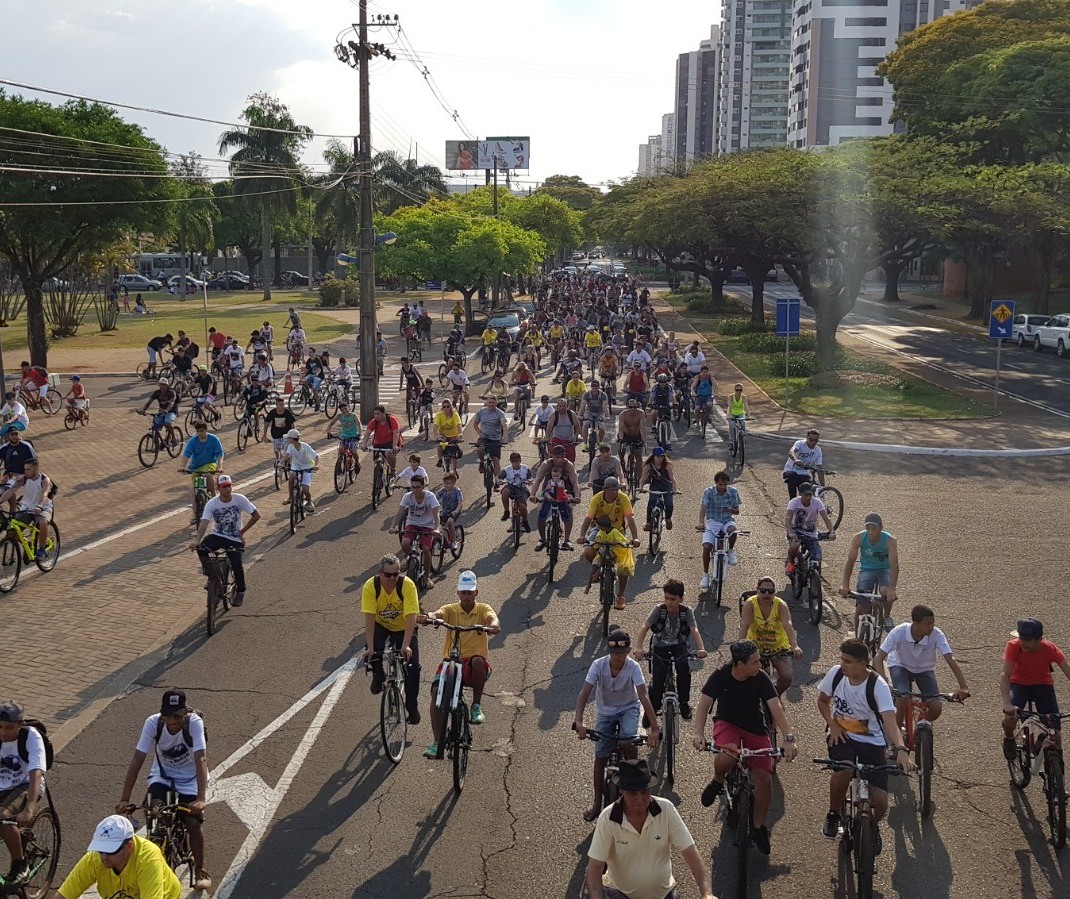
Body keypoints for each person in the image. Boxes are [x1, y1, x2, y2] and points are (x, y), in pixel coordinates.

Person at [691, 639, 798, 857]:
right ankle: (718, 780)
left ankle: (759, 827)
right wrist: (698, 733)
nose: (760, 665)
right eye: (755, 662)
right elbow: (704, 704)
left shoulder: (760, 677)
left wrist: (788, 738)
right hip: (727, 724)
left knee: (765, 779)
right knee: (728, 754)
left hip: (755, 729)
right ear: (739, 664)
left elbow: (775, 706)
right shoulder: (720, 675)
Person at [817, 638, 912, 847]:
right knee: (843, 770)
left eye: (848, 661)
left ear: (863, 664)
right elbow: (823, 701)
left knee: (880, 802)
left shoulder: (877, 686)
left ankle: (872, 826)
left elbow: (889, 721)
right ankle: (833, 813)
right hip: (842, 736)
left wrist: (901, 749)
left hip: (872, 743)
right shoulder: (836, 674)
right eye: (841, 659)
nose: (843, 665)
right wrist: (832, 724)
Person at [116, 690, 212, 891]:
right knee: (155, 811)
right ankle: (161, 848)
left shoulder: (194, 723)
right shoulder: (153, 723)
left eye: (177, 715)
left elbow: (201, 759)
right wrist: (124, 799)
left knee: (193, 822)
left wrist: (201, 798)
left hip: (190, 780)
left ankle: (200, 868)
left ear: (185, 712)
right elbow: (137, 759)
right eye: (167, 715)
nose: (172, 721)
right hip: (163, 777)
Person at [585, 758, 715, 899]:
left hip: (663, 894)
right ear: (622, 791)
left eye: (644, 792)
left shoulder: (666, 809)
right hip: (620, 893)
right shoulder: (607, 818)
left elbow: (690, 852)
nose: (640, 798)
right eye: (633, 793)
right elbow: (595, 867)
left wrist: (706, 892)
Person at [574, 629, 661, 823]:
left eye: (621, 653)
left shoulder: (633, 668)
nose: (618, 658)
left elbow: (643, 697)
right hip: (605, 711)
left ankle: (637, 784)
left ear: (628, 651)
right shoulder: (598, 665)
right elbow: (584, 693)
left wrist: (654, 729)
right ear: (609, 652)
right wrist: (579, 721)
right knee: (600, 755)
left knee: (629, 740)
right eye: (614, 653)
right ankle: (597, 803)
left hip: (629, 708)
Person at [419, 570, 501, 757]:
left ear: (476, 593)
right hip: (451, 662)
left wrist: (493, 625)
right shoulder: (451, 609)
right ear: (458, 593)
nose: (466, 596)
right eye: (463, 592)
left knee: (479, 660)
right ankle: (437, 741)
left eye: (469, 592)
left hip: (473, 667)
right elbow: (438, 613)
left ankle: (476, 706)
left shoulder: (482, 609)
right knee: (435, 694)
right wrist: (429, 617)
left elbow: (493, 619)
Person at [873, 605, 970, 732]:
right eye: (927, 624)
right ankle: (895, 738)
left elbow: (951, 660)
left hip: (925, 670)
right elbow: (878, 658)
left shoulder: (936, 634)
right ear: (915, 623)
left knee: (936, 708)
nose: (931, 627)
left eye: (933, 623)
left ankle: (919, 727)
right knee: (902, 697)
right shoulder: (899, 632)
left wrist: (963, 686)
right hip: (900, 665)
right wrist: (885, 683)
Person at [55, 813, 181, 899]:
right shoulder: (94, 859)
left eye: (110, 851)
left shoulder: (148, 859)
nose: (104, 857)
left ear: (129, 846)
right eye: (101, 850)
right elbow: (63, 895)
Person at [632, 579, 707, 720]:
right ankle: (653, 708)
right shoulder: (659, 610)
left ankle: (684, 703)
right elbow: (645, 627)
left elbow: (694, 629)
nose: (669, 602)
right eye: (666, 598)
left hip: (679, 645)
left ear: (681, 598)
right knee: (658, 675)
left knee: (684, 668)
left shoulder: (687, 611)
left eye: (673, 599)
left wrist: (701, 648)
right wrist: (638, 647)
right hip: (660, 645)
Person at [361, 553, 422, 725]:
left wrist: (406, 646)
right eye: (388, 575)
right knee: (373, 651)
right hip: (382, 624)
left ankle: (412, 706)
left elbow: (411, 617)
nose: (392, 578)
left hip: (404, 627)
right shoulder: (371, 587)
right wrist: (370, 648)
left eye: (396, 574)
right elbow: (369, 618)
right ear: (380, 573)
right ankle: (379, 676)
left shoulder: (407, 585)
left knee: (412, 667)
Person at [1001, 617, 1070, 757]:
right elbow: (1005, 675)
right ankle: (1009, 739)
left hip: (1043, 686)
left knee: (1054, 730)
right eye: (1021, 638)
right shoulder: (1013, 646)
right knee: (1010, 718)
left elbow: (1068, 671)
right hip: (1019, 685)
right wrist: (1007, 703)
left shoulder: (1050, 649)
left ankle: (1057, 767)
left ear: (1039, 639)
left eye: (1028, 640)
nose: (1023, 643)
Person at [191, 474, 258, 606]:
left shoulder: (239, 499)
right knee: (203, 548)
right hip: (218, 536)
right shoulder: (212, 503)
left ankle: (240, 591)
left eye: (229, 486)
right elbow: (204, 522)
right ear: (218, 488)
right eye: (224, 487)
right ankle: (212, 576)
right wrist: (197, 540)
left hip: (234, 538)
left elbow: (256, 515)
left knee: (237, 564)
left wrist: (242, 532)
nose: (228, 489)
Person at [0, 701, 45, 884]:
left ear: (20, 724)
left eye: (9, 728)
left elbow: (36, 772)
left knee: (3, 816)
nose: (3, 733)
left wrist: (29, 807)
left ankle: (20, 865)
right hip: (3, 785)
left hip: (26, 784)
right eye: (0, 727)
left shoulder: (31, 737)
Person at [579, 478, 640, 610]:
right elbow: (588, 518)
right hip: (599, 529)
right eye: (612, 489)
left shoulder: (623, 498)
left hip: (617, 531)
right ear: (605, 489)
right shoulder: (597, 498)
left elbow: (630, 518)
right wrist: (582, 535)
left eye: (617, 488)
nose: (615, 491)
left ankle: (621, 596)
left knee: (624, 564)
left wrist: (635, 538)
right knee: (588, 552)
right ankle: (600, 572)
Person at [738, 576, 803, 696]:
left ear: (775, 593)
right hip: (756, 647)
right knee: (754, 677)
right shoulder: (750, 604)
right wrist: (741, 646)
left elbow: (788, 625)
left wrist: (795, 646)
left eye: (770, 591)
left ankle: (774, 696)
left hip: (778, 647)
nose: (766, 594)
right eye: (763, 591)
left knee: (787, 676)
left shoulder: (780, 605)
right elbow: (744, 625)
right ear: (757, 590)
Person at [839, 512, 899, 628]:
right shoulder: (858, 538)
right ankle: (858, 632)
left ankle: (886, 615)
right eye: (868, 528)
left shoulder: (890, 540)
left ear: (881, 528)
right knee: (862, 598)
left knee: (885, 593)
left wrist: (892, 589)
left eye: (874, 528)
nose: (871, 532)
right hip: (867, 570)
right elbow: (850, 561)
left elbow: (894, 566)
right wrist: (845, 585)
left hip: (884, 569)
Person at [389, 474, 440, 578]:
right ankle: (410, 559)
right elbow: (399, 513)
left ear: (423, 487)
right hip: (412, 523)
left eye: (418, 487)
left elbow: (436, 515)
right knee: (405, 543)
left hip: (428, 525)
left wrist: (437, 529)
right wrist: (392, 526)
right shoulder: (408, 496)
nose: (415, 490)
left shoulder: (430, 497)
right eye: (413, 487)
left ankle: (426, 576)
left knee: (426, 548)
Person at [530, 445, 581, 551]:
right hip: (548, 491)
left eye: (562, 456)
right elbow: (538, 480)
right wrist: (533, 495)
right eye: (557, 457)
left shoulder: (569, 465)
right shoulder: (546, 464)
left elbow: (575, 482)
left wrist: (577, 496)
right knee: (540, 511)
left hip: (565, 491)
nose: (560, 459)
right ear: (552, 455)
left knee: (569, 508)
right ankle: (542, 540)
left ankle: (567, 540)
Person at [698, 471, 741, 592]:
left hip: (727, 520)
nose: (723, 487)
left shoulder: (733, 492)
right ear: (716, 483)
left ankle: (731, 550)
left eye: (725, 484)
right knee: (706, 546)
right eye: (720, 484)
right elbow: (703, 509)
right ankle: (705, 575)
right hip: (713, 521)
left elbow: (737, 511)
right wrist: (701, 523)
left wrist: (730, 510)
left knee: (733, 531)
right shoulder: (709, 492)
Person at [783, 481, 835, 575]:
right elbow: (788, 518)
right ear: (800, 494)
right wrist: (791, 532)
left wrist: (832, 531)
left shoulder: (817, 502)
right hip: (796, 531)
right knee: (795, 545)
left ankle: (814, 575)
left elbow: (826, 518)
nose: (808, 497)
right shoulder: (794, 502)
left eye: (810, 494)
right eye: (806, 494)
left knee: (817, 556)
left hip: (811, 532)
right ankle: (790, 562)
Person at [180, 422, 224, 523]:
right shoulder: (193, 441)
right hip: (195, 467)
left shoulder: (214, 439)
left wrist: (220, 467)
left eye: (202, 431)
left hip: (210, 464)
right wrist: (183, 466)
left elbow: (220, 454)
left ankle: (215, 501)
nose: (200, 433)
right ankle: (195, 515)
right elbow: (187, 454)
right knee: (193, 491)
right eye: (198, 431)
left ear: (206, 430)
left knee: (207, 475)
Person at [473, 395, 509, 479]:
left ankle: (497, 481)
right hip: (484, 438)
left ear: (496, 403)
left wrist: (504, 437)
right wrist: (480, 433)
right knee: (479, 449)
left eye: (493, 402)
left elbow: (504, 425)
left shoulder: (500, 413)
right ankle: (482, 462)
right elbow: (475, 424)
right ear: (487, 402)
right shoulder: (481, 411)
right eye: (489, 402)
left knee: (496, 460)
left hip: (495, 439)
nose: (491, 404)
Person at [640, 447, 676, 531]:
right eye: (658, 456)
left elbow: (672, 478)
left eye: (662, 456)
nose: (660, 459)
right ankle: (648, 522)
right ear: (653, 456)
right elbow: (643, 477)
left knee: (669, 503)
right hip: (655, 485)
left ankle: (668, 519)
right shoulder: (649, 465)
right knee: (651, 501)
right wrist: (641, 487)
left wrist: (675, 489)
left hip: (666, 485)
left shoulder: (667, 465)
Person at [782, 428, 824, 498]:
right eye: (811, 440)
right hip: (791, 471)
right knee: (792, 476)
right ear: (806, 438)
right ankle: (793, 502)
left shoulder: (818, 450)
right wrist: (795, 460)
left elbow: (819, 468)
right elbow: (791, 451)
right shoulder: (800, 443)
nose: (813, 442)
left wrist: (823, 487)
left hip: (804, 474)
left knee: (808, 491)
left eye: (815, 440)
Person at [283, 428, 318, 513]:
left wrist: (315, 466)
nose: (287, 440)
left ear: (291, 439)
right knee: (291, 478)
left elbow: (316, 456)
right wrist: (280, 462)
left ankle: (309, 502)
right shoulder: (290, 447)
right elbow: (287, 455)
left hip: (307, 468)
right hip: (296, 466)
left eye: (288, 438)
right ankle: (290, 497)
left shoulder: (305, 447)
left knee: (305, 488)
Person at [362, 405, 402, 475]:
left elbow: (396, 433)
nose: (376, 416)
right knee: (377, 460)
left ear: (384, 413)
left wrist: (394, 445)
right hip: (378, 442)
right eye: (375, 414)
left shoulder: (392, 420)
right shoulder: (374, 421)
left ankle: (393, 469)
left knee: (390, 454)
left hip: (391, 441)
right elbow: (367, 432)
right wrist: (364, 444)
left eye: (378, 414)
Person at [139, 378, 180, 445]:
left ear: (167, 385)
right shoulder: (156, 393)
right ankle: (158, 446)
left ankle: (173, 438)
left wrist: (166, 410)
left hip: (171, 411)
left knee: (167, 423)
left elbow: (171, 403)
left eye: (164, 385)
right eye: (161, 385)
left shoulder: (171, 393)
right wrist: (143, 410)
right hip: (161, 412)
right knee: (155, 426)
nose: (162, 386)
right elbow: (149, 402)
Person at [498, 451, 532, 526]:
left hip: (522, 488)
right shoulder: (507, 469)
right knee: (504, 492)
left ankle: (525, 521)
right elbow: (498, 477)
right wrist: (499, 481)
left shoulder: (525, 468)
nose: (515, 463)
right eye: (513, 462)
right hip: (511, 487)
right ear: (510, 461)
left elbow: (530, 477)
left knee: (522, 506)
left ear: (520, 461)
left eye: (517, 461)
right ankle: (506, 511)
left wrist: (530, 480)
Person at [262, 396, 297, 462]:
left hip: (286, 435)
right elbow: (266, 423)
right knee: (277, 451)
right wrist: (264, 435)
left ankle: (288, 463)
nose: (282, 406)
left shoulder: (287, 412)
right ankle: (281, 462)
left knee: (288, 452)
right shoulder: (273, 412)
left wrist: (294, 435)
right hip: (276, 434)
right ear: (277, 405)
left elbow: (292, 424)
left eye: (283, 404)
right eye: (281, 405)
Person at [436, 471, 463, 550]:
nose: (446, 485)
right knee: (439, 524)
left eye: (449, 483)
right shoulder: (443, 490)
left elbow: (460, 503)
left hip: (454, 512)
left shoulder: (457, 491)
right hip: (444, 511)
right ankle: (442, 541)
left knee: (450, 522)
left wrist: (456, 511)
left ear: (454, 482)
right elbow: (435, 497)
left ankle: (454, 541)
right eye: (445, 483)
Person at [432, 398, 463, 468]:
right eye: (444, 407)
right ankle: (440, 460)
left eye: (448, 406)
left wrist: (460, 434)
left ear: (451, 407)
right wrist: (436, 436)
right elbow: (435, 427)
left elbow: (459, 425)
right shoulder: (438, 415)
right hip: (443, 435)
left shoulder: (455, 415)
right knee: (440, 444)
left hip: (453, 436)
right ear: (442, 407)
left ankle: (454, 470)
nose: (446, 408)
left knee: (453, 452)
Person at [333, 400, 362, 470]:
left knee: (354, 451)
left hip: (353, 437)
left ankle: (357, 463)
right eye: (342, 410)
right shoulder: (339, 416)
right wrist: (328, 431)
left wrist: (359, 433)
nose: (344, 410)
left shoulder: (354, 416)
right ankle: (339, 466)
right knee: (340, 450)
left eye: (345, 408)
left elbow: (359, 424)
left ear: (348, 407)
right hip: (344, 437)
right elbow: (331, 423)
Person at [579, 380, 609, 446]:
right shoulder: (586, 394)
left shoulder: (603, 395)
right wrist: (579, 415)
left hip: (600, 412)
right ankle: (585, 444)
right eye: (593, 386)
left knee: (601, 427)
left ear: (599, 387)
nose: (594, 388)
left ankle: (601, 442)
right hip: (589, 412)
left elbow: (605, 407)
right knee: (585, 425)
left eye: (596, 386)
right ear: (591, 386)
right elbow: (583, 405)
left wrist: (607, 416)